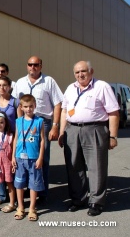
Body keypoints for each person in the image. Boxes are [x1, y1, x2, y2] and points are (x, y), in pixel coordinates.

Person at [58, 61, 119, 216]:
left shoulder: (102, 86)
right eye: (77, 72)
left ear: (91, 71)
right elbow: (65, 111)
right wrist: (61, 132)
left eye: (83, 71)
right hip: (72, 130)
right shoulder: (70, 89)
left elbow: (113, 113)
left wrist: (112, 136)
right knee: (73, 166)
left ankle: (96, 202)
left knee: (96, 166)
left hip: (95, 129)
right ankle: (78, 199)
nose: (80, 75)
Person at [12, 56, 63, 204]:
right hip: (24, 124)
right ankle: (28, 189)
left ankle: (42, 192)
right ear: (27, 66)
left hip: (42, 123)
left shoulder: (49, 81)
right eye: (30, 64)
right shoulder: (20, 82)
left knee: (42, 159)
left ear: (41, 66)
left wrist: (55, 125)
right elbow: (17, 104)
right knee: (24, 158)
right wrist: (19, 123)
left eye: (36, 65)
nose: (32, 67)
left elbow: (58, 103)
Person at [12, 94, 45, 221]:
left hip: (34, 158)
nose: (29, 109)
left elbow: (42, 140)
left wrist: (41, 157)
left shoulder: (39, 121)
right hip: (20, 157)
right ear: (21, 107)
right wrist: (13, 156)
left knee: (34, 184)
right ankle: (20, 207)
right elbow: (16, 138)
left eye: (31, 106)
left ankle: (32, 208)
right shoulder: (18, 121)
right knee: (19, 184)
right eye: (25, 106)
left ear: (35, 106)